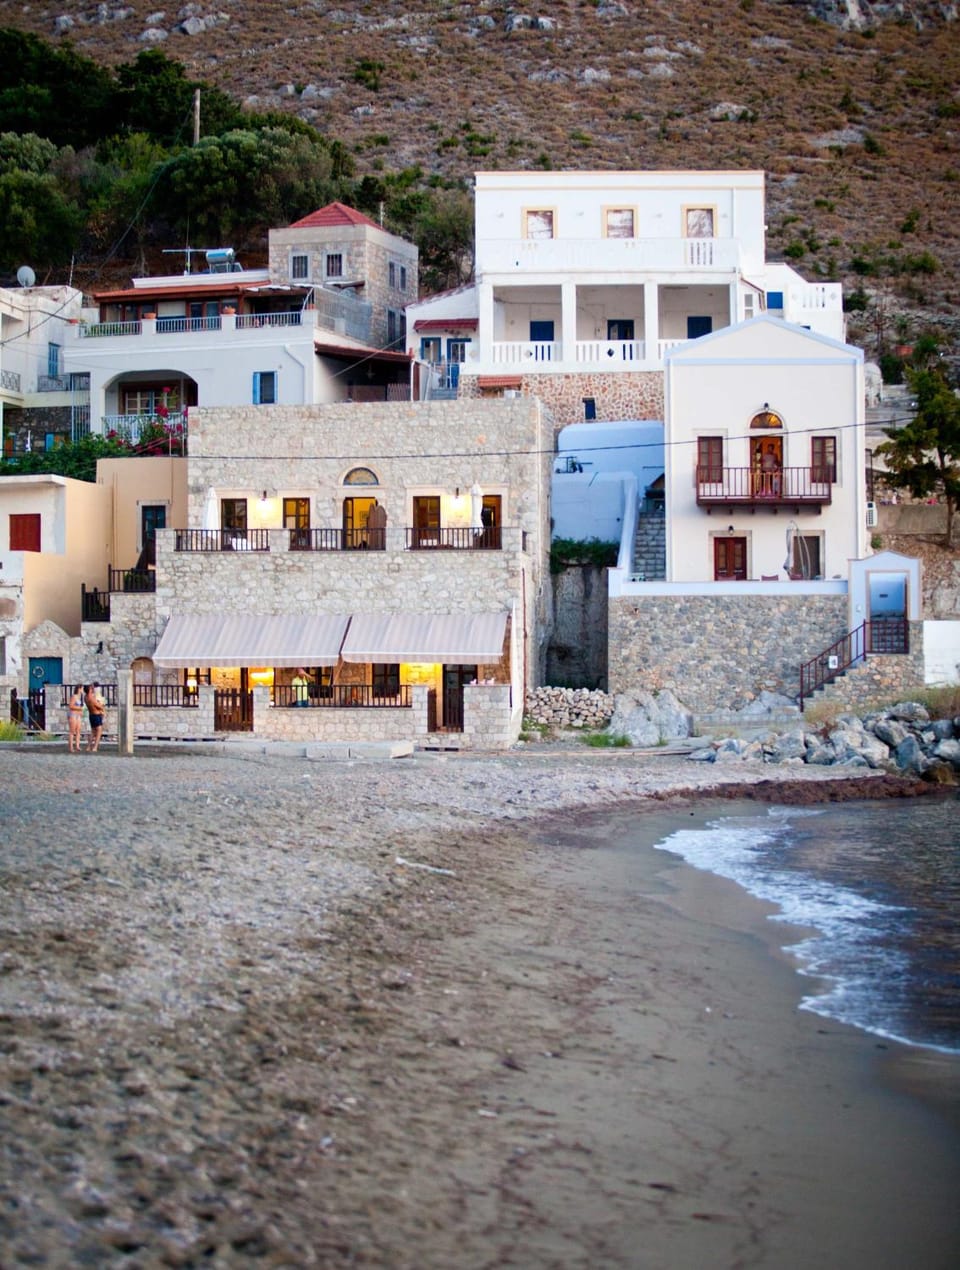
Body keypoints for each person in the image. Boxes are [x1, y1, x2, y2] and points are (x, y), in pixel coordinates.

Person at [85, 681, 105, 752]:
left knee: (93, 732)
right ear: (89, 690)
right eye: (91, 688)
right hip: (96, 715)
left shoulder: (86, 697)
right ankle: (95, 747)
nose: (93, 689)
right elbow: (99, 706)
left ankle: (88, 747)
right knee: (99, 732)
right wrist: (102, 706)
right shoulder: (91, 698)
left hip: (91, 715)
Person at [68, 685, 85, 753]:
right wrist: (80, 708)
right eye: (82, 688)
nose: (83, 690)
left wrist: (81, 711)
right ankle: (71, 747)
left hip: (78, 715)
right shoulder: (74, 696)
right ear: (79, 689)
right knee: (72, 731)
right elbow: (71, 706)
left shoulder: (79, 697)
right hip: (73, 715)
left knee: (78, 731)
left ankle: (77, 746)